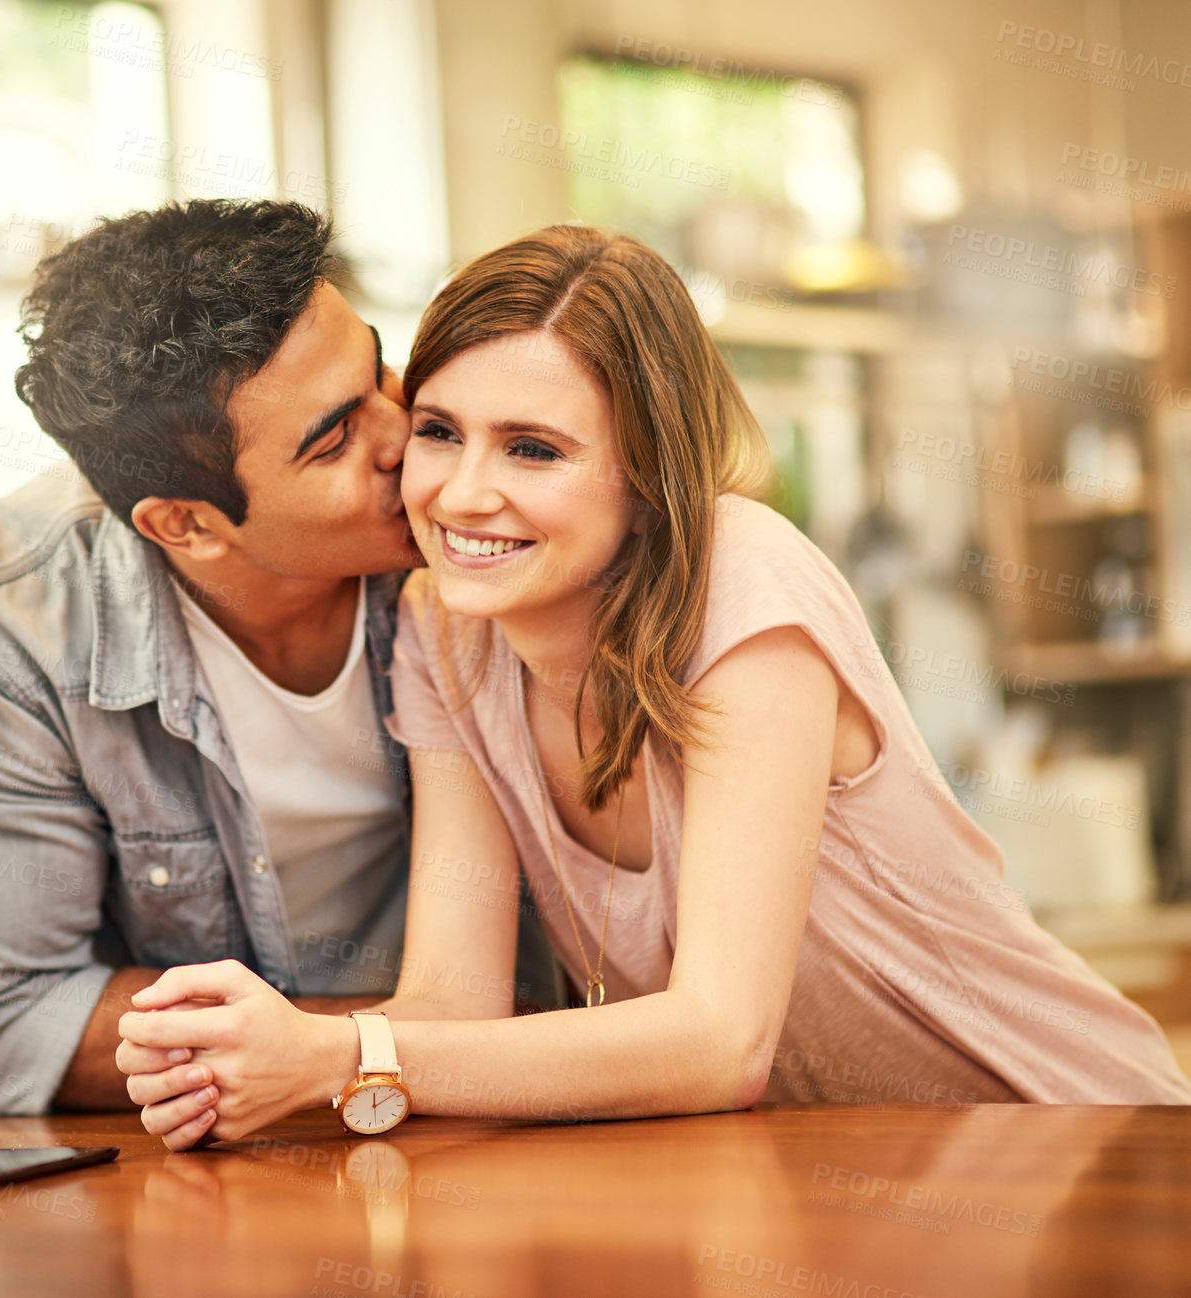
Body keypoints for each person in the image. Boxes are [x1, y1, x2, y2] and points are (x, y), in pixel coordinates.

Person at [117, 223, 1191, 1149]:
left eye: (533, 448)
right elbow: (453, 1001)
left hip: (1077, 1139)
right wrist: (245, 1059)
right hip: (848, 1181)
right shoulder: (445, 627)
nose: (462, 492)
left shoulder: (739, 582)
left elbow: (720, 1040)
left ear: (644, 471)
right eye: (440, 431)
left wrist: (334, 1056)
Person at [0, 200, 559, 1115]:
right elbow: (15, 1022)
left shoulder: (490, 542)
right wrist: (389, 1053)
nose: (409, 440)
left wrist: (341, 1056)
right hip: (225, 1177)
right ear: (187, 525)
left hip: (521, 1138)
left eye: (377, 375)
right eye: (336, 438)